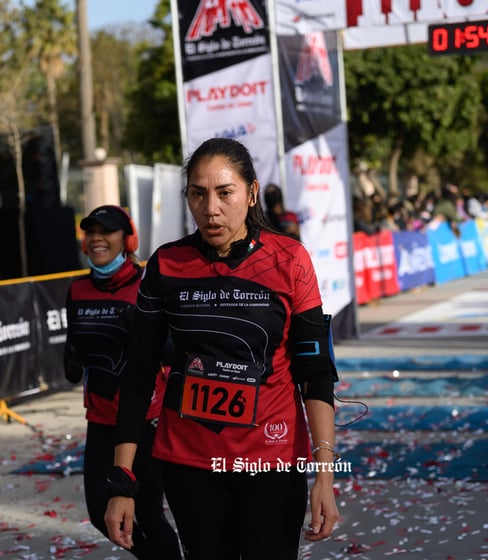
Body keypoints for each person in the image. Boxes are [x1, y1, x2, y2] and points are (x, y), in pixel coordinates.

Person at [104, 138, 339, 559]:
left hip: (271, 461)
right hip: (190, 464)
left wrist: (324, 475)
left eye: (224, 193)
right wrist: (123, 480)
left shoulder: (291, 259)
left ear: (250, 193)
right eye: (198, 193)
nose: (210, 208)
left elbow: (315, 372)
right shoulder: (165, 265)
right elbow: (139, 372)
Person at [63, 205, 182, 560]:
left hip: (145, 421)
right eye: (91, 232)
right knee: (103, 515)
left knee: (146, 514)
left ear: (127, 240)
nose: (97, 238)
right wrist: (71, 357)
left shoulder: (150, 284)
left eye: (107, 231)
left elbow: (176, 353)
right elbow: (74, 350)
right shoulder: (78, 291)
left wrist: (151, 338)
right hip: (100, 421)